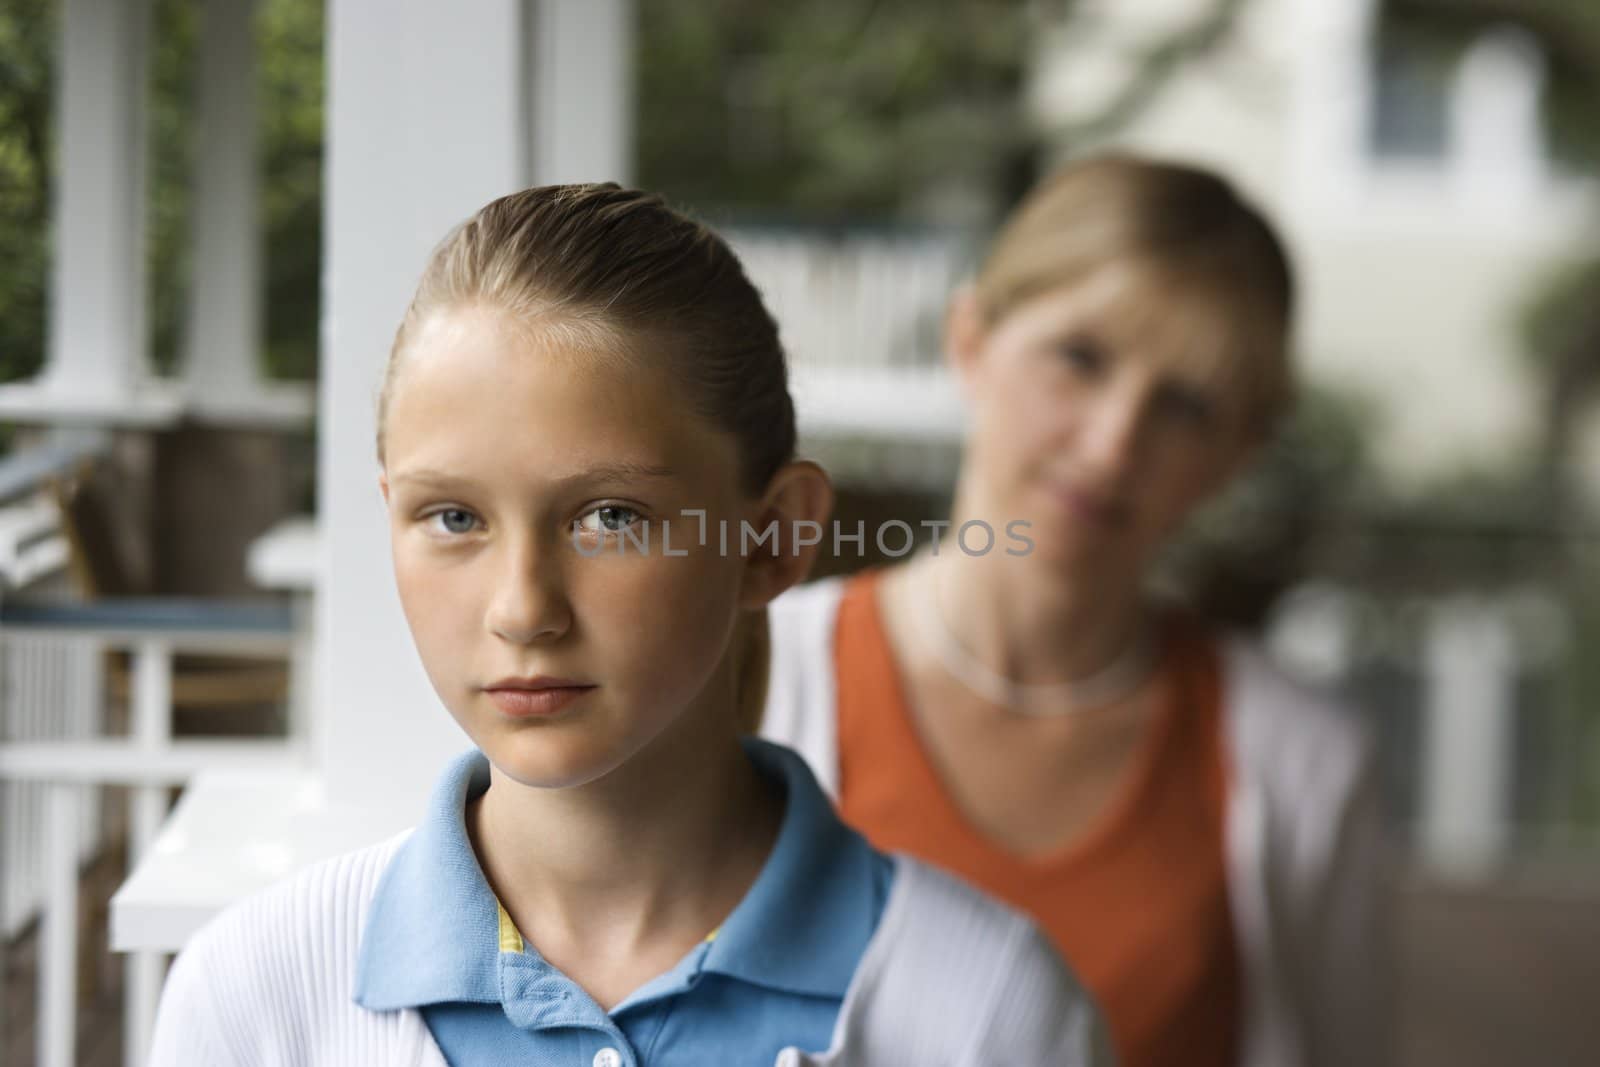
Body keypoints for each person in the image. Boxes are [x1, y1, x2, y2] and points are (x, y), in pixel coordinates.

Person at [145, 184, 1109, 1066]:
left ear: (774, 539)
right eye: (453, 518)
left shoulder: (992, 1012)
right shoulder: (254, 998)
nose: (522, 609)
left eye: (611, 517)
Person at [762, 154, 1391, 1067]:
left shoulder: (1303, 765)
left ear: (1236, 454)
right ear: (970, 338)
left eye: (1184, 404)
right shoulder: (751, 675)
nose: (1111, 444)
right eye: (1080, 358)